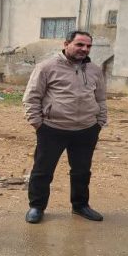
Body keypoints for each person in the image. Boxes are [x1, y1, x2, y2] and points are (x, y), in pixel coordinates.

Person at [22, 31, 107, 224]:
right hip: (53, 128)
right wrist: (38, 124)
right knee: (43, 170)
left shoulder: (94, 70)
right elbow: (31, 97)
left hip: (86, 129)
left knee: (82, 171)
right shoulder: (46, 67)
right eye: (79, 44)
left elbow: (101, 98)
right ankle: (37, 206)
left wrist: (99, 122)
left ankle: (80, 206)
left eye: (88, 46)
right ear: (66, 44)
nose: (84, 49)